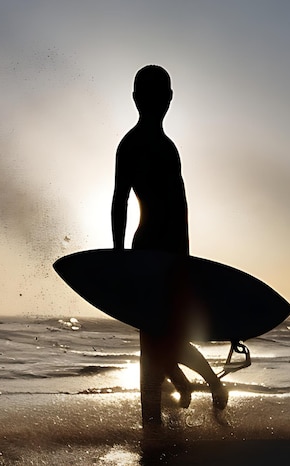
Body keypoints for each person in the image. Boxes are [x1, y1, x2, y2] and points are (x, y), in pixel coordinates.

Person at [111, 65, 228, 427]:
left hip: (160, 252)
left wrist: (122, 255)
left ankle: (175, 400)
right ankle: (176, 404)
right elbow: (123, 201)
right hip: (157, 253)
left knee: (161, 338)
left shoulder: (153, 146)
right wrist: (119, 257)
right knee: (156, 342)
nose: (156, 102)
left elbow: (164, 207)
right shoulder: (145, 146)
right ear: (167, 100)